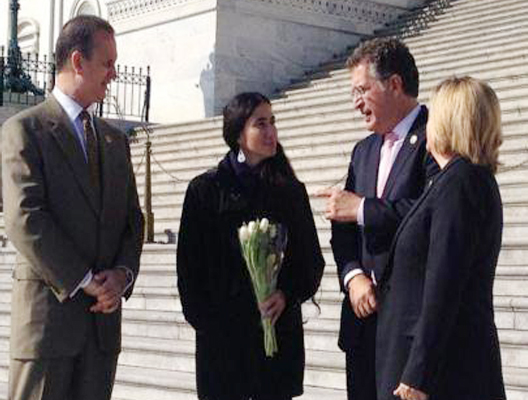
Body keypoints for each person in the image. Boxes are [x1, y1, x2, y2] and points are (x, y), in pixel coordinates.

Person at [1, 15, 144, 400]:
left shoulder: (116, 141)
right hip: (49, 327)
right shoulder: (23, 130)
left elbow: (133, 219)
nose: (113, 74)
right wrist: (85, 280)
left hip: (101, 333)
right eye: (108, 63)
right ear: (78, 62)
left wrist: (123, 275)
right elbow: (25, 218)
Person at [177, 92, 325, 400]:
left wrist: (285, 295)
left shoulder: (290, 191)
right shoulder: (205, 191)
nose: (271, 132)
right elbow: (190, 272)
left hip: (276, 347)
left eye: (273, 122)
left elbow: (311, 262)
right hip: (224, 350)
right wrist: (213, 327)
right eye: (261, 124)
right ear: (238, 134)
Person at [317, 38, 438, 400]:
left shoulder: (438, 135)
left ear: (395, 85)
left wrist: (363, 209)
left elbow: (432, 212)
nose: (356, 102)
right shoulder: (363, 150)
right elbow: (343, 224)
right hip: (363, 326)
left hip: (410, 330)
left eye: (362, 90)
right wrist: (352, 276)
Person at [375, 76, 506, 400]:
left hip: (443, 374)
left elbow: (444, 282)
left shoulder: (461, 183)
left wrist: (418, 373)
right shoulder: (456, 180)